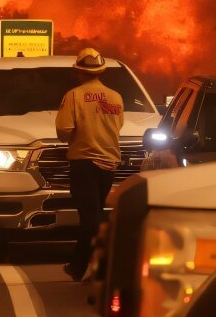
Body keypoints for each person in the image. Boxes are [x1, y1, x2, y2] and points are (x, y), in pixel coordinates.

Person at [55, 48, 124, 281]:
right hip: (109, 166)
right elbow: (118, 127)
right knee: (95, 217)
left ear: (79, 72)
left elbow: (64, 131)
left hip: (84, 165)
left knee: (90, 220)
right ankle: (86, 267)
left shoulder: (74, 96)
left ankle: (87, 267)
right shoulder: (116, 97)